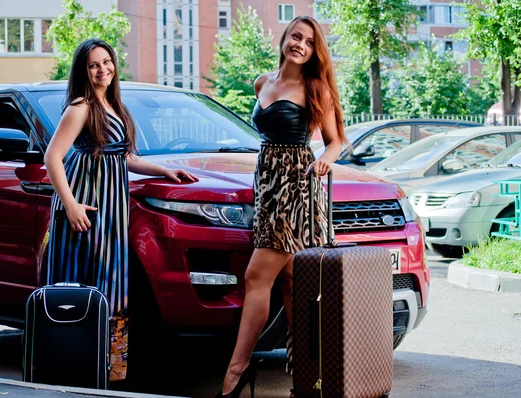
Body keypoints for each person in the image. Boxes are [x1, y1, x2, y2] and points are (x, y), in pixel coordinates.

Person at [44, 38, 198, 382]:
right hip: (87, 206)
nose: (103, 69)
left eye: (107, 62)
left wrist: (165, 171)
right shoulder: (81, 106)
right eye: (94, 65)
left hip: (112, 210)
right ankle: (77, 365)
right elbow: (52, 157)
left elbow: (125, 158)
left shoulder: (114, 106)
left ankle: (110, 369)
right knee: (84, 284)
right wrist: (69, 205)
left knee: (113, 285)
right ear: (83, 71)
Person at [215, 16, 349, 398]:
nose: (300, 45)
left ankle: (235, 373)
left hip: (297, 186)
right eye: (296, 37)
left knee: (257, 277)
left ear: (313, 51)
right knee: (293, 284)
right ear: (285, 39)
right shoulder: (263, 82)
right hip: (268, 187)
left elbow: (336, 140)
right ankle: (308, 381)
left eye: (308, 42)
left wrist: (325, 160)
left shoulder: (314, 87)